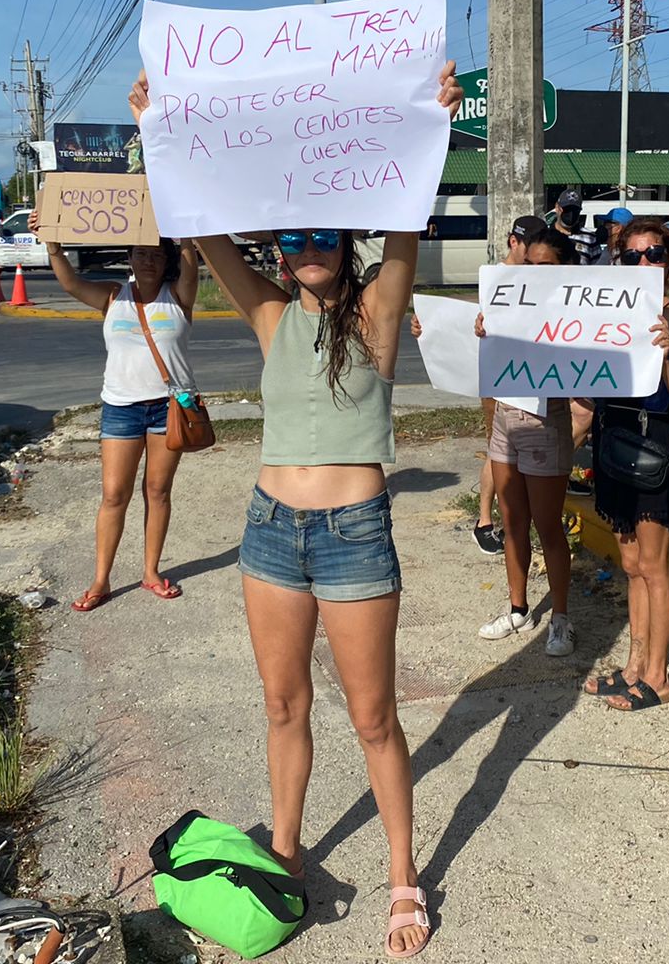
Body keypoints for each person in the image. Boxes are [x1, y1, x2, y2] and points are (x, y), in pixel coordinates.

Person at [132, 62, 462, 956]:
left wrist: (430, 122)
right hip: (271, 532)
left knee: (373, 718)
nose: (309, 245)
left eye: (326, 233)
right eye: (294, 236)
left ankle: (403, 876)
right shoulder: (271, 313)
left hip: (355, 536)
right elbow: (205, 227)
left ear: (345, 240)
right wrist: (164, 129)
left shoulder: (378, 317)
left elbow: (403, 226)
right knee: (283, 705)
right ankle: (284, 853)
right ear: (281, 247)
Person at [28, 208, 198, 611]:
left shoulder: (179, 295)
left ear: (168, 259)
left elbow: (191, 253)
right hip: (121, 407)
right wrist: (52, 243)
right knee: (113, 495)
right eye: (141, 253)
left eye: (157, 253)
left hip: (169, 409)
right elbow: (69, 282)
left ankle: (151, 572)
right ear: (130, 258)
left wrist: (189, 227)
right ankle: (101, 579)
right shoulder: (111, 294)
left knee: (157, 491)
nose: (149, 260)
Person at [584, 218, 669, 711]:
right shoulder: (602, 317)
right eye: (632, 255)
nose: (642, 263)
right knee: (631, 564)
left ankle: (659, 676)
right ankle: (634, 664)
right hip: (611, 435)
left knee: (654, 567)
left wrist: (666, 363)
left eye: (653, 254)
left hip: (652, 443)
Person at [472, 226, 579, 655]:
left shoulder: (575, 313)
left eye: (545, 266)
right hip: (505, 421)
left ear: (563, 269)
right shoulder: (506, 303)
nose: (534, 273)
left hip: (544, 423)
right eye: (529, 264)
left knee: (547, 526)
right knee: (511, 520)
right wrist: (479, 329)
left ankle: (561, 619)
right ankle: (517, 609)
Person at [466, 214, 549, 554]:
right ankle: (485, 519)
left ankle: (517, 516)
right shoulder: (496, 278)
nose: (534, 251)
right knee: (498, 450)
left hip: (535, 374)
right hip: (501, 377)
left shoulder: (541, 274)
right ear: (514, 242)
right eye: (529, 244)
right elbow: (482, 326)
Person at [551, 188, 602, 265]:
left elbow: (598, 270)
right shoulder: (546, 237)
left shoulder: (591, 239)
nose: (571, 214)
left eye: (575, 210)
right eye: (567, 209)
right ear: (557, 208)